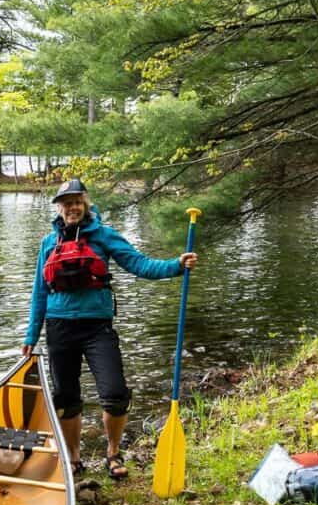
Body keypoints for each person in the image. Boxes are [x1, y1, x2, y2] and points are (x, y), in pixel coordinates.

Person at [21, 179, 198, 479]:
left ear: (85, 204)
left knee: (115, 394)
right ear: (60, 209)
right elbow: (40, 291)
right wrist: (30, 335)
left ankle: (113, 452)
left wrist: (176, 266)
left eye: (77, 201)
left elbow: (140, 264)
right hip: (59, 328)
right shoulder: (48, 243)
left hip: (96, 328)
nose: (72, 207)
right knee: (66, 398)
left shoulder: (103, 236)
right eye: (66, 203)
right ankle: (74, 458)